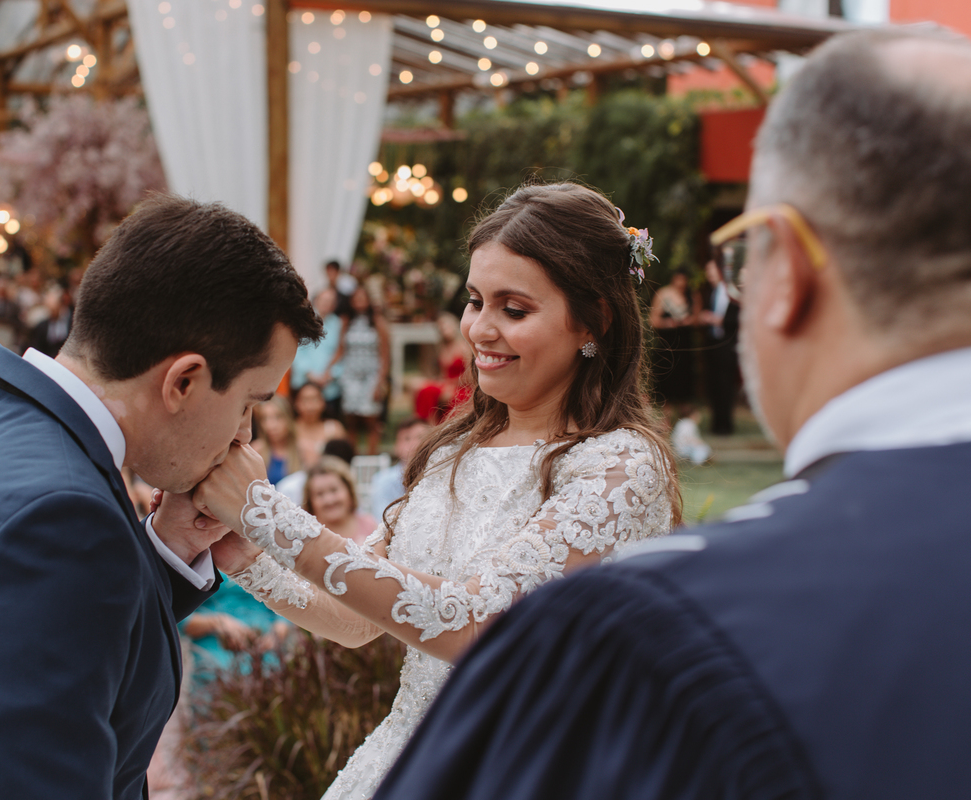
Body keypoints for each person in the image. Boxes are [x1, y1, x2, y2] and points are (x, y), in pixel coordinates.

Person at [374, 28, 971, 800]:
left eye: (740, 255)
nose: (482, 325)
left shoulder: (675, 634)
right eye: (475, 301)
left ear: (783, 269)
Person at [191, 183, 678, 800]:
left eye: (515, 309)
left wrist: (262, 511)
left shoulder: (620, 468)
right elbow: (352, 619)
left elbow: (470, 627)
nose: (480, 329)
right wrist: (244, 555)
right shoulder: (452, 453)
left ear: (595, 320)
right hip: (404, 761)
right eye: (475, 301)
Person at [0, 193, 324, 800]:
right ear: (184, 381)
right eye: (249, 402)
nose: (247, 436)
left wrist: (172, 547)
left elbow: (43, 633)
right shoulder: (59, 521)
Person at [328, 284, 391, 454]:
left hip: (371, 375)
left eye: (363, 298)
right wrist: (328, 369)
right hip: (350, 375)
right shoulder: (347, 321)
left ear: (369, 300)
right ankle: (352, 457)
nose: (359, 301)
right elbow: (340, 350)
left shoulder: (377, 321)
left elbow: (385, 356)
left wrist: (380, 383)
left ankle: (371, 458)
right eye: (356, 298)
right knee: (352, 420)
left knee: (371, 419)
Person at [699, 257, 742, 435]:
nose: (709, 275)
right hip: (712, 345)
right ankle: (716, 423)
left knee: (726, 385)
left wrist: (718, 320)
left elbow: (739, 318)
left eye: (711, 270)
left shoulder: (732, 292)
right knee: (714, 384)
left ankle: (726, 424)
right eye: (707, 271)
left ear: (720, 271)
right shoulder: (711, 292)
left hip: (728, 346)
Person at [291, 287, 345, 417]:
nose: (327, 303)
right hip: (303, 381)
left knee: (328, 419)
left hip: (329, 385)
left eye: (331, 301)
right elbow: (296, 350)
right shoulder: (303, 321)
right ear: (316, 300)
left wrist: (331, 374)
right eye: (324, 300)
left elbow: (342, 352)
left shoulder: (338, 324)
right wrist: (311, 375)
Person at [411, 312, 472, 424]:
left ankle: (429, 423)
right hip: (447, 384)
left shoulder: (464, 347)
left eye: (446, 326)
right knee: (423, 389)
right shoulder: (442, 348)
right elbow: (443, 374)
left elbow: (470, 376)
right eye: (441, 327)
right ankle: (424, 423)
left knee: (430, 390)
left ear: (454, 326)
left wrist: (449, 384)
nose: (444, 330)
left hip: (463, 387)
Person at [302, 456, 378, 545]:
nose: (329, 500)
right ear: (310, 500)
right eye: (320, 494)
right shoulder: (306, 536)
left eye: (334, 490)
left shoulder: (370, 526)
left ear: (349, 491)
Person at [649, 268, 696, 409]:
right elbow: (653, 320)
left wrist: (688, 321)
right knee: (667, 382)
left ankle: (684, 418)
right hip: (667, 345)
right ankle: (666, 418)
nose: (681, 283)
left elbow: (697, 317)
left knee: (684, 382)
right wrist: (668, 323)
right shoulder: (664, 294)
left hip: (685, 345)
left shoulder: (692, 295)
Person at [369, 417, 432, 521]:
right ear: (396, 446)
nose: (415, 444)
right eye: (407, 438)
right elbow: (381, 520)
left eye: (421, 437)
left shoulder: (440, 475)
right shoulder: (382, 480)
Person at [251, 395, 305, 485]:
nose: (271, 425)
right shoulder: (256, 450)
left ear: (289, 418)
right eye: (265, 418)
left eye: (278, 417)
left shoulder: (303, 450)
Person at [293, 380, 347, 468]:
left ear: (323, 402)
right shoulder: (290, 428)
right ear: (296, 403)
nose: (310, 406)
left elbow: (344, 459)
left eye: (314, 399)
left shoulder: (334, 428)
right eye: (305, 400)